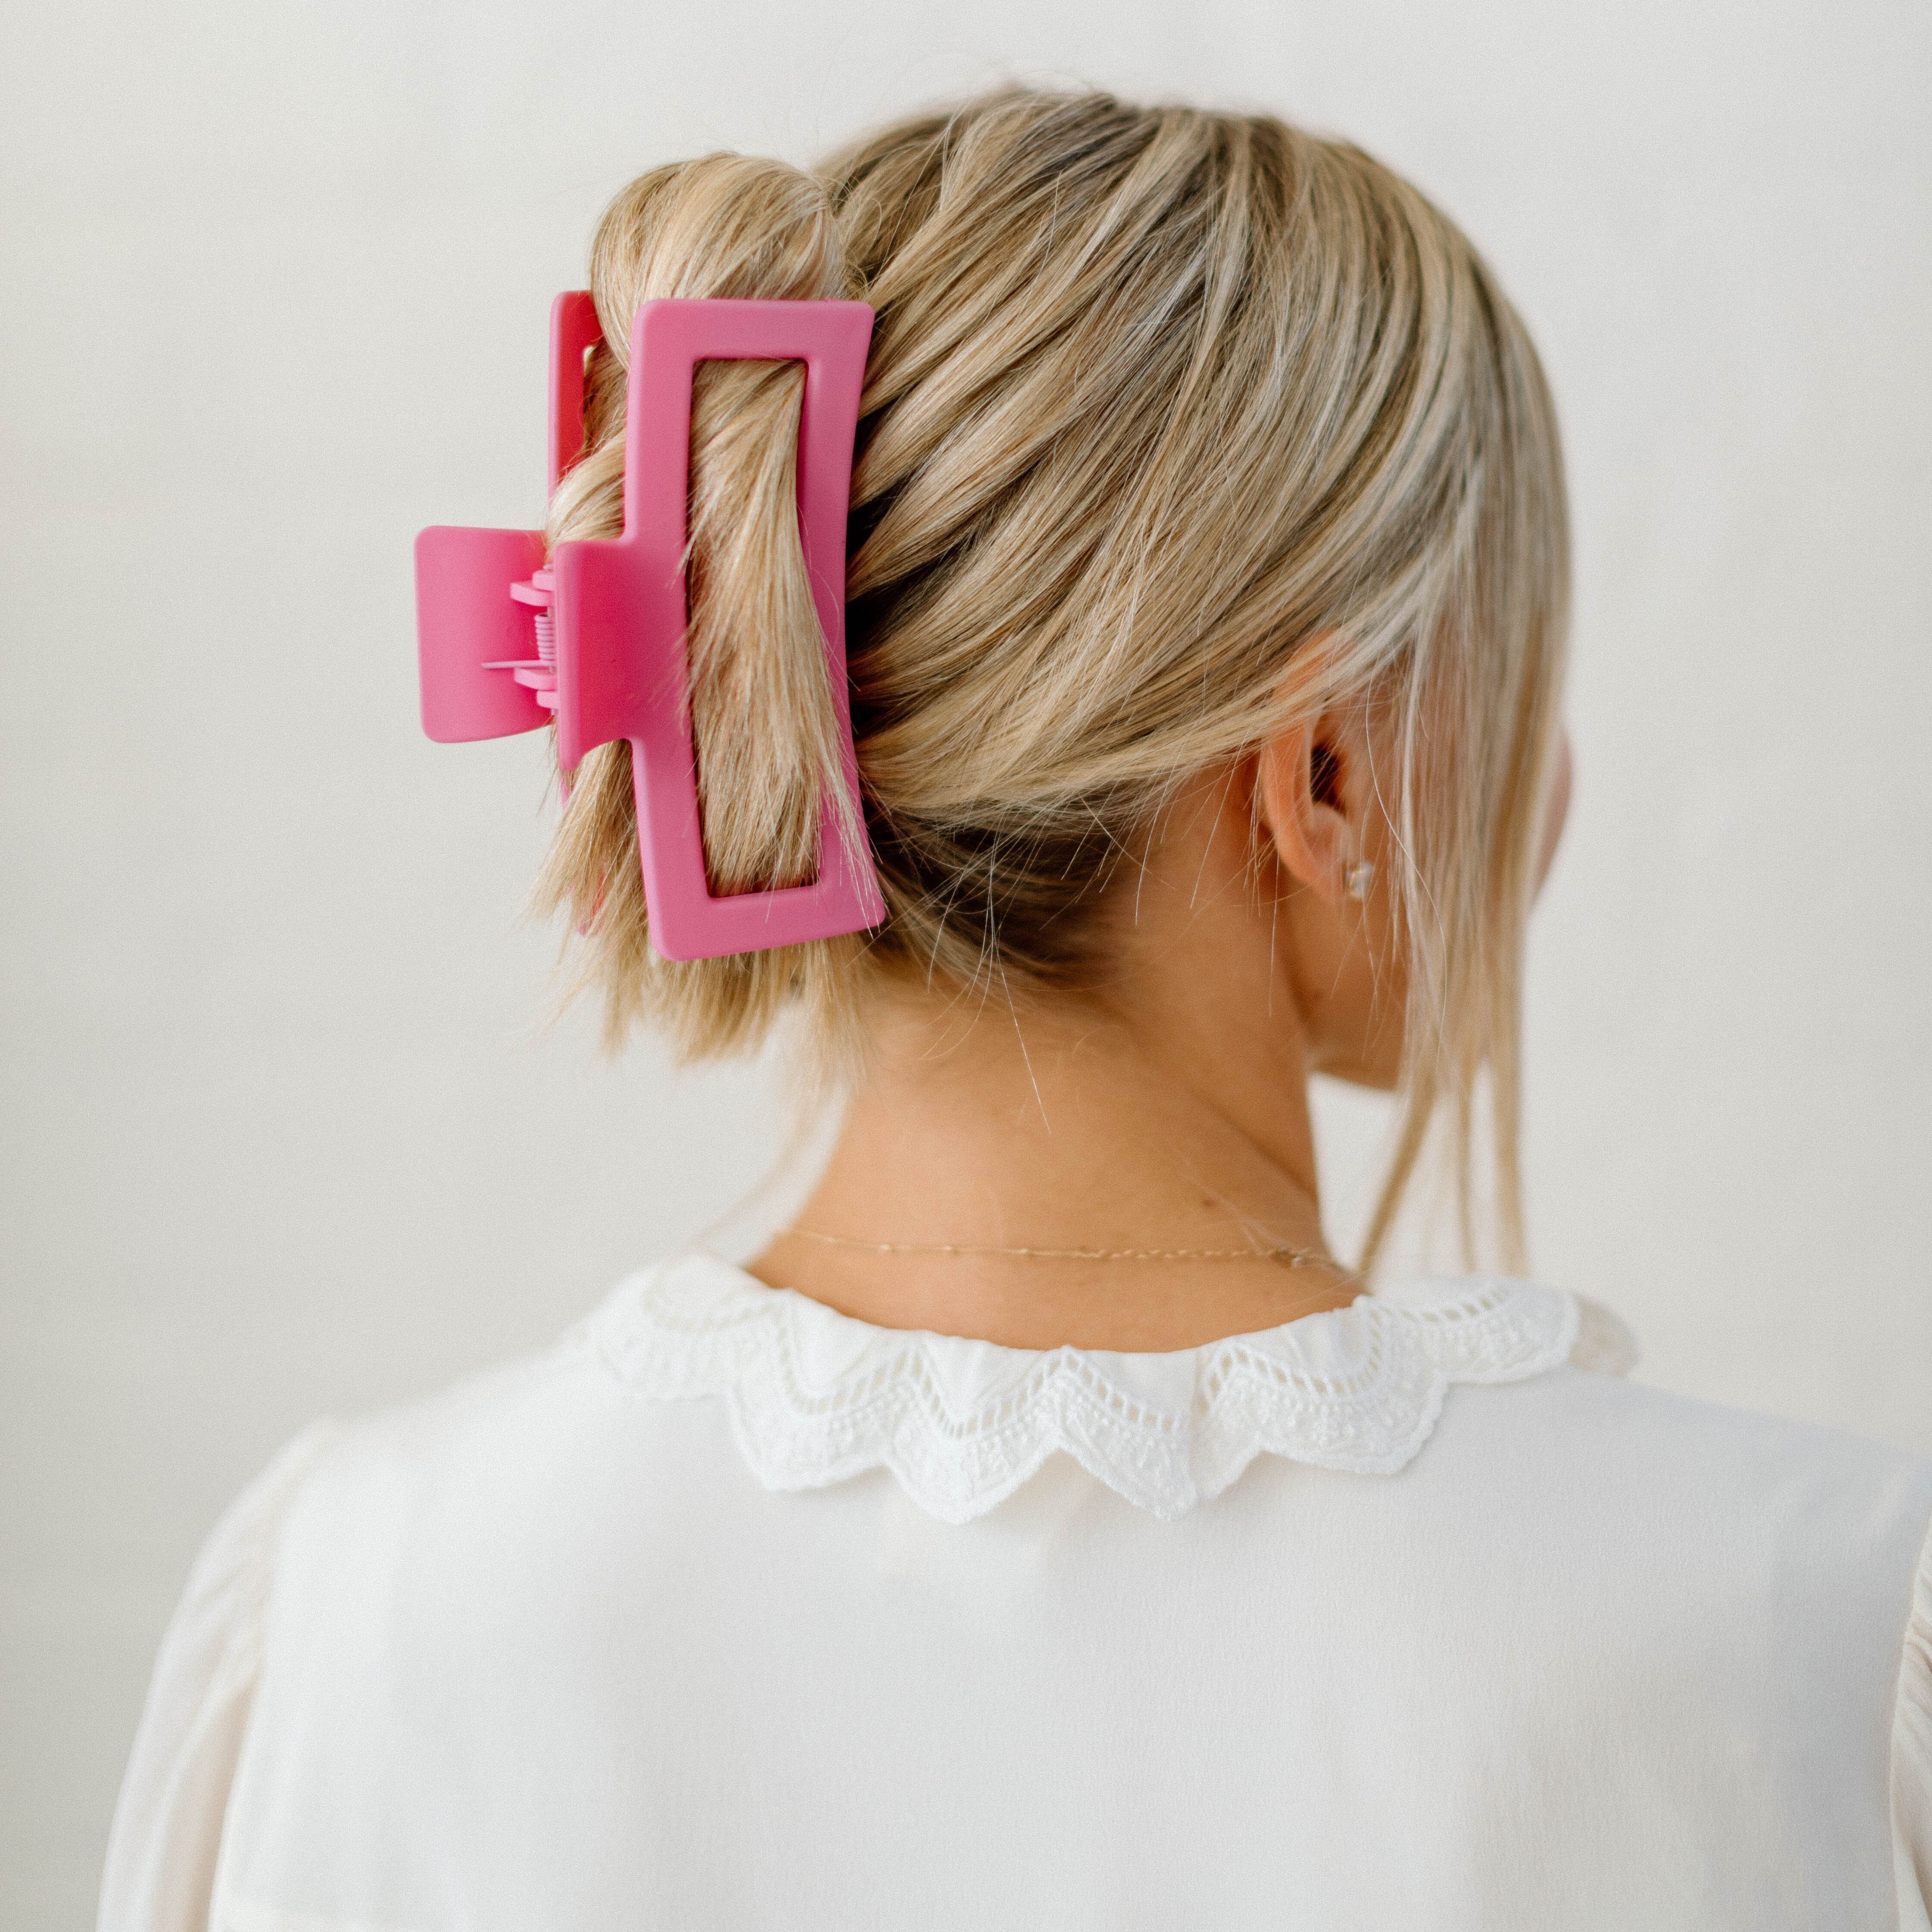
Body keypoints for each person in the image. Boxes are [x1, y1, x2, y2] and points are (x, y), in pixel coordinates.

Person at [100, 88, 1931, 1930]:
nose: (1559, 788)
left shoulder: (359, 1593)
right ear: (1328, 777)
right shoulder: (1800, 1635)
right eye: (1523, 685)